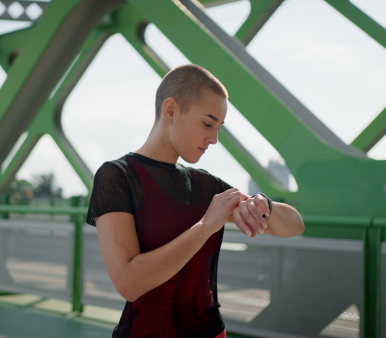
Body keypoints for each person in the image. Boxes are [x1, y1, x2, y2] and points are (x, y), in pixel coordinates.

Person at [86, 64, 304, 338]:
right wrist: (206, 225)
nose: (213, 139)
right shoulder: (118, 176)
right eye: (207, 123)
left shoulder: (205, 186)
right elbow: (129, 283)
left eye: (219, 128)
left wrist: (264, 205)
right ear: (171, 110)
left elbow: (294, 225)